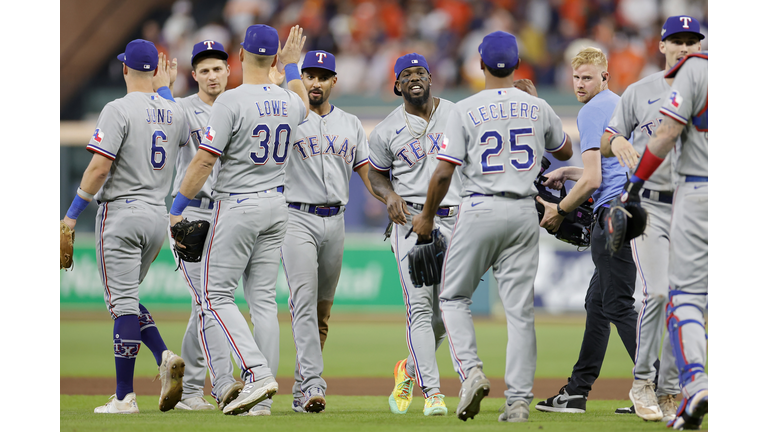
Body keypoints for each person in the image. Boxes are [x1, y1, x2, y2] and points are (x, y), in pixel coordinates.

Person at [412, 31, 573, 423]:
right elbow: (565, 150)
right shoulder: (536, 106)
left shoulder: (463, 109)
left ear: (480, 64)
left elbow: (443, 173)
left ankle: (472, 373)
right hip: (523, 212)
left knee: (452, 299)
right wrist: (534, 103)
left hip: (480, 207)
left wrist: (428, 216)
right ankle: (518, 401)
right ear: (518, 65)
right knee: (519, 313)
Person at [167, 24, 310, 416]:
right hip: (277, 205)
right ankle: (260, 404)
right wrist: (294, 68)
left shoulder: (230, 101)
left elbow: (204, 159)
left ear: (241, 57)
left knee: (214, 296)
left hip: (238, 204)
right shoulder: (288, 99)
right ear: (274, 59)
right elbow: (304, 104)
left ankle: (256, 373)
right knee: (263, 301)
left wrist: (177, 208)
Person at [61, 40, 189, 414]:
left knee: (121, 307)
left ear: (124, 69)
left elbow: (100, 168)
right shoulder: (174, 110)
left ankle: (124, 397)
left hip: (121, 213)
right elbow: (174, 127)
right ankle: (163, 355)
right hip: (156, 216)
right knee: (127, 301)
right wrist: (165, 90)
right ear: (156, 72)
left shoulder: (116, 108)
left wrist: (71, 214)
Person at [600, 16, 704, 423]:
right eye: (675, 41)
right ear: (662, 46)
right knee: (657, 293)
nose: (683, 47)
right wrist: (620, 139)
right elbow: (606, 142)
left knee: (684, 301)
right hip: (651, 208)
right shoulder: (640, 91)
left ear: (700, 47)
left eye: (691, 41)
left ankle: (669, 389)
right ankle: (642, 381)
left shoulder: (709, 90)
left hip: (693, 206)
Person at [535, 47, 638, 414]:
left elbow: (594, 180)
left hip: (610, 217)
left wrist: (560, 210)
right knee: (598, 305)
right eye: (576, 77)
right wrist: (567, 172)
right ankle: (576, 392)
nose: (580, 84)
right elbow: (609, 172)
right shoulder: (622, 104)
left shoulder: (592, 111)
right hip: (628, 212)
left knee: (618, 306)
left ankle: (658, 388)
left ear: (604, 77)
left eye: (588, 77)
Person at [282, 50, 384, 414]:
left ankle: (300, 387)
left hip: (335, 221)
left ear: (333, 82)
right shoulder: (290, 119)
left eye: (322, 76)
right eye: (309, 75)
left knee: (322, 313)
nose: (315, 82)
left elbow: (368, 174)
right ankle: (313, 384)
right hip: (297, 218)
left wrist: (392, 199)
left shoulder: (351, 123)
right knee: (304, 303)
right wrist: (288, 68)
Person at [367, 53, 462, 416]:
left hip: (455, 220)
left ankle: (408, 368)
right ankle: (433, 393)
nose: (414, 78)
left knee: (448, 311)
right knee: (420, 308)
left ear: (431, 78)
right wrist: (388, 194)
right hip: (409, 223)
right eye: (406, 74)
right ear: (397, 85)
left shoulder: (456, 114)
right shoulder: (387, 129)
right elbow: (376, 174)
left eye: (420, 71)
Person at [167, 40, 244, 412]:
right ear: (194, 75)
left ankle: (190, 389)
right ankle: (224, 382)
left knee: (206, 305)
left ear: (229, 71)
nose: (212, 75)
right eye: (205, 70)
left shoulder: (241, 106)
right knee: (208, 303)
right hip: (192, 214)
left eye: (218, 68)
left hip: (231, 213)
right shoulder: (182, 111)